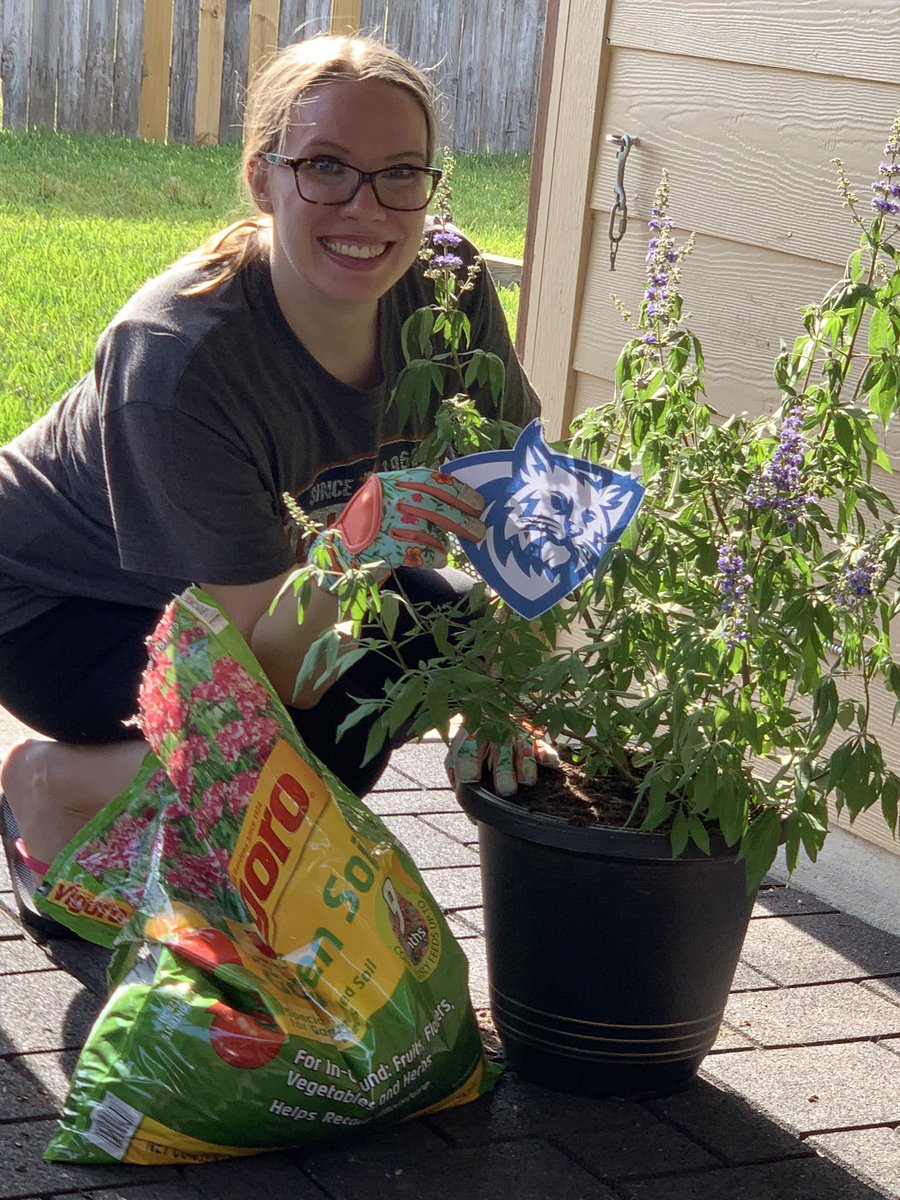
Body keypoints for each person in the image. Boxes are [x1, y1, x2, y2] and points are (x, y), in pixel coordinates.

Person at [0, 34, 542, 933]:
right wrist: (355, 549)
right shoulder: (177, 358)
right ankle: (51, 782)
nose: (366, 208)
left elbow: (518, 491)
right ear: (262, 178)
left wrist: (495, 696)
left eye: (400, 173)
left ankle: (198, 830)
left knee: (442, 627)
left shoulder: (448, 287)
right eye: (325, 167)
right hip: (56, 607)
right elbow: (268, 666)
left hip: (229, 589)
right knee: (312, 726)